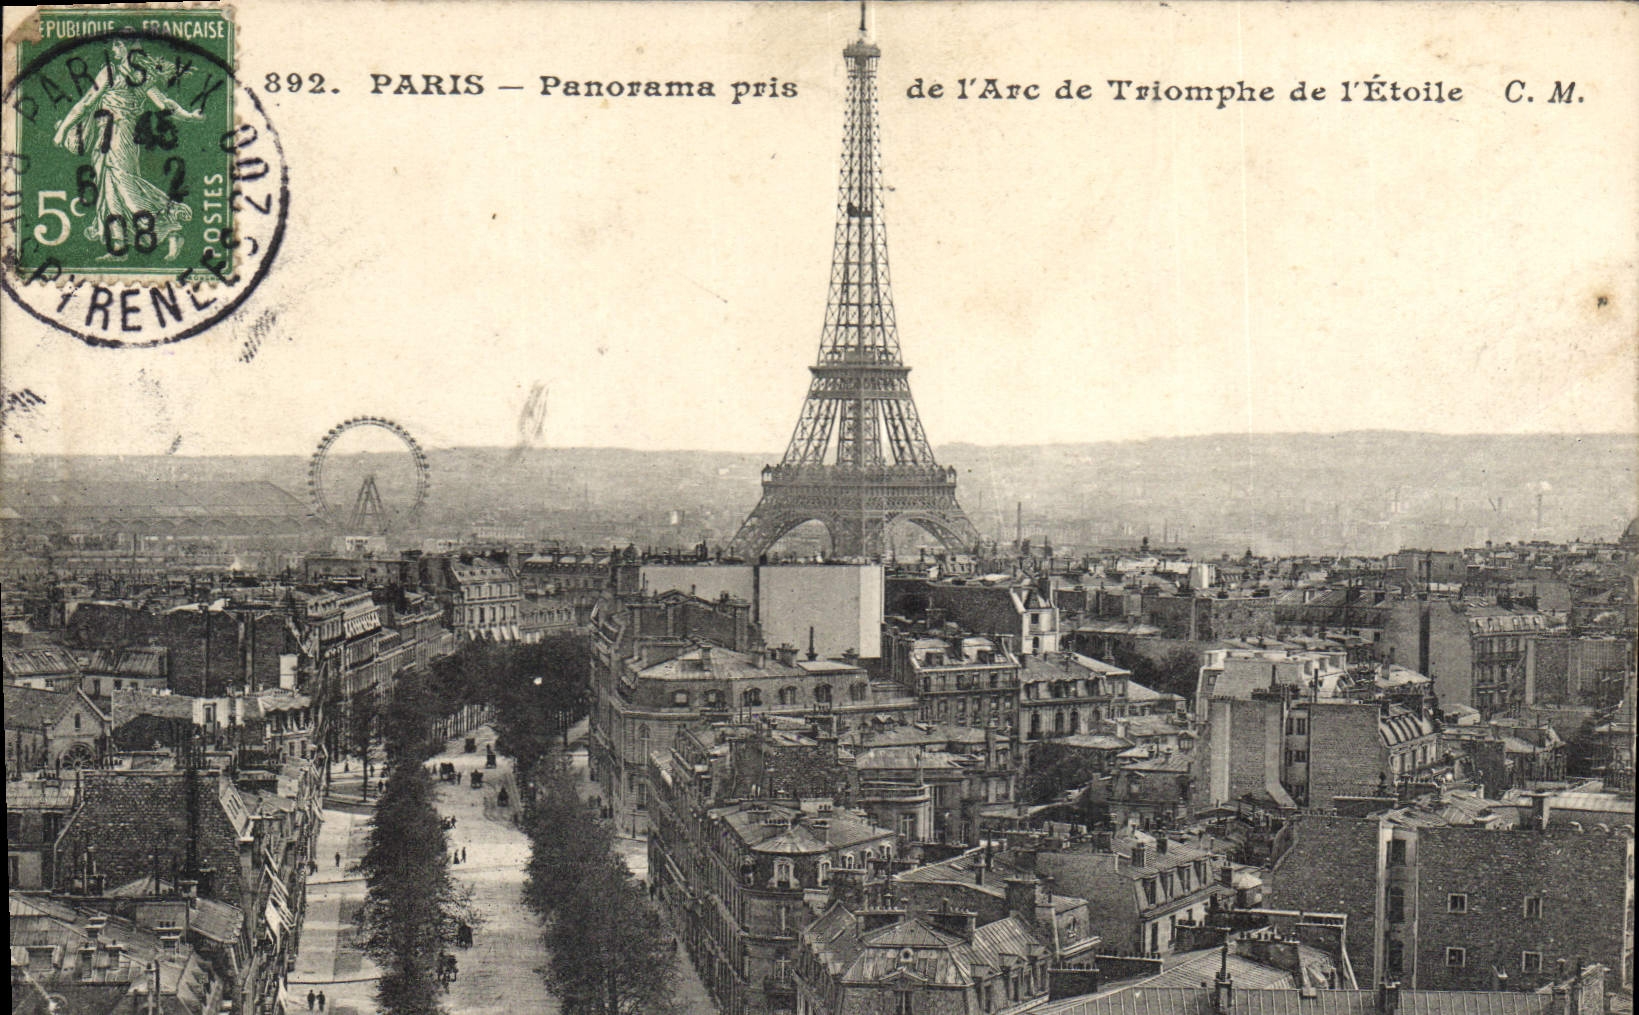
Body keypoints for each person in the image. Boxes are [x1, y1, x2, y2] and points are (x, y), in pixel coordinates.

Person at [50, 36, 201, 259]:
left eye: (119, 45)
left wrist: (63, 130)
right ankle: (118, 246)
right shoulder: (138, 77)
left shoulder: (117, 73)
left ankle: (171, 231)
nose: (114, 48)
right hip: (106, 138)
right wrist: (188, 116)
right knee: (110, 190)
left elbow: (87, 103)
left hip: (120, 137)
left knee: (127, 190)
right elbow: (164, 104)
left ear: (130, 50)